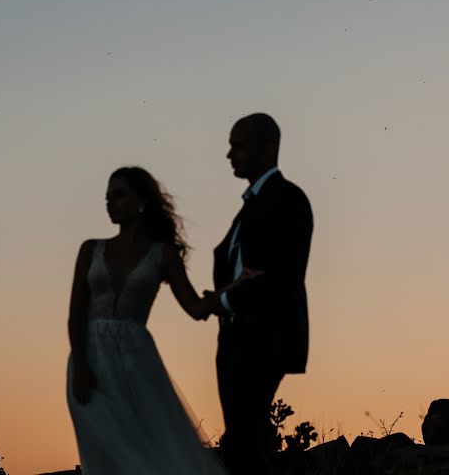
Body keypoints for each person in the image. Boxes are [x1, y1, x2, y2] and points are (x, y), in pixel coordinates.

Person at [66, 166, 254, 474]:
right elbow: (75, 315)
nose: (110, 203)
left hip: (137, 361)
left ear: (142, 200)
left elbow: (195, 308)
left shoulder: (163, 255)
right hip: (90, 360)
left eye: (119, 194)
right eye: (107, 197)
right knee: (106, 454)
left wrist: (235, 289)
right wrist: (82, 367)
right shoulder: (91, 249)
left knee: (150, 450)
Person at [203, 113, 314, 475]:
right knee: (243, 441)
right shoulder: (250, 207)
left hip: (264, 337)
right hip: (237, 336)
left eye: (238, 145)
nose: (229, 155)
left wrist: (226, 299)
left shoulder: (287, 199)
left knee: (243, 445)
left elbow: (282, 275)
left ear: (267, 147)